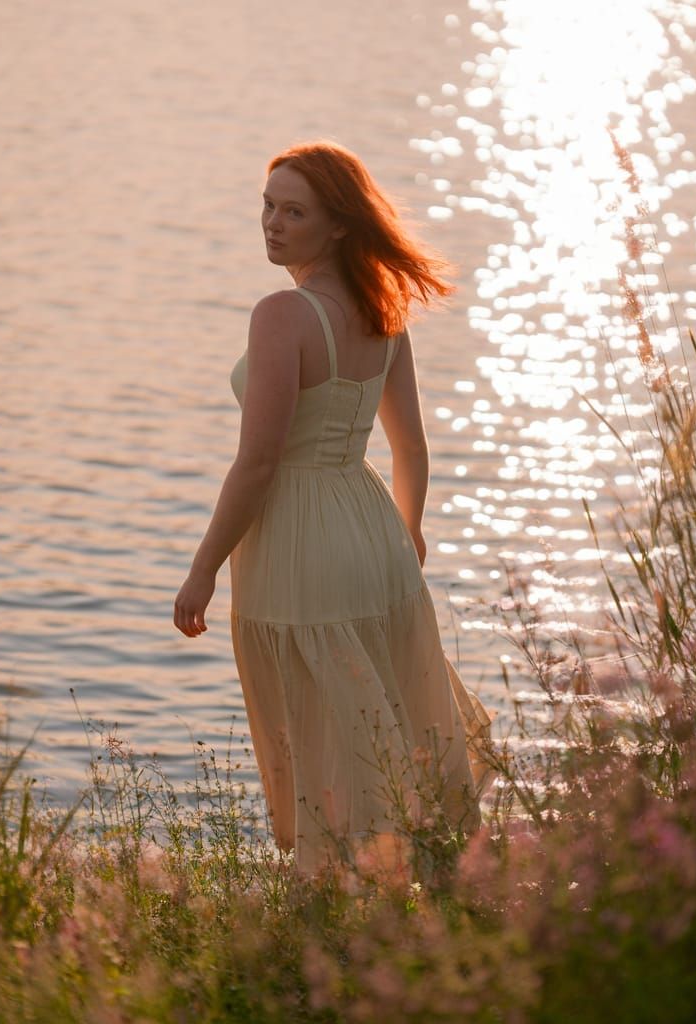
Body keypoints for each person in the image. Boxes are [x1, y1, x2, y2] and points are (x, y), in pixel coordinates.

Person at [173, 140, 494, 877]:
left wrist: (203, 570)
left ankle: (330, 891)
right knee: (385, 712)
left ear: (340, 224)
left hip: (299, 539)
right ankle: (423, 875)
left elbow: (258, 463)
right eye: (268, 206)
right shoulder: (384, 308)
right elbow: (411, 448)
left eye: (295, 212)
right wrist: (407, 535)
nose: (272, 224)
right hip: (371, 528)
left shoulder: (283, 314)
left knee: (320, 723)